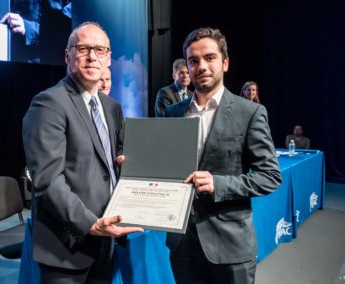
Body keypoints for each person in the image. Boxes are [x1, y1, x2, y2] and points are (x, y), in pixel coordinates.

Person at [22, 22, 143, 283]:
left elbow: (111, 162)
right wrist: (89, 224)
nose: (92, 56)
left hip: (105, 241)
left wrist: (128, 165)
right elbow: (47, 180)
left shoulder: (111, 107)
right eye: (83, 48)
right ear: (67, 56)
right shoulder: (49, 103)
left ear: (108, 58)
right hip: (67, 245)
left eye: (100, 50)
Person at [165, 27, 281, 283]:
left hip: (231, 245)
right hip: (182, 243)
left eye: (210, 58)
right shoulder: (173, 113)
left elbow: (270, 176)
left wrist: (219, 183)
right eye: (193, 61)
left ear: (225, 63)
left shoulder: (250, 112)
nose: (201, 66)